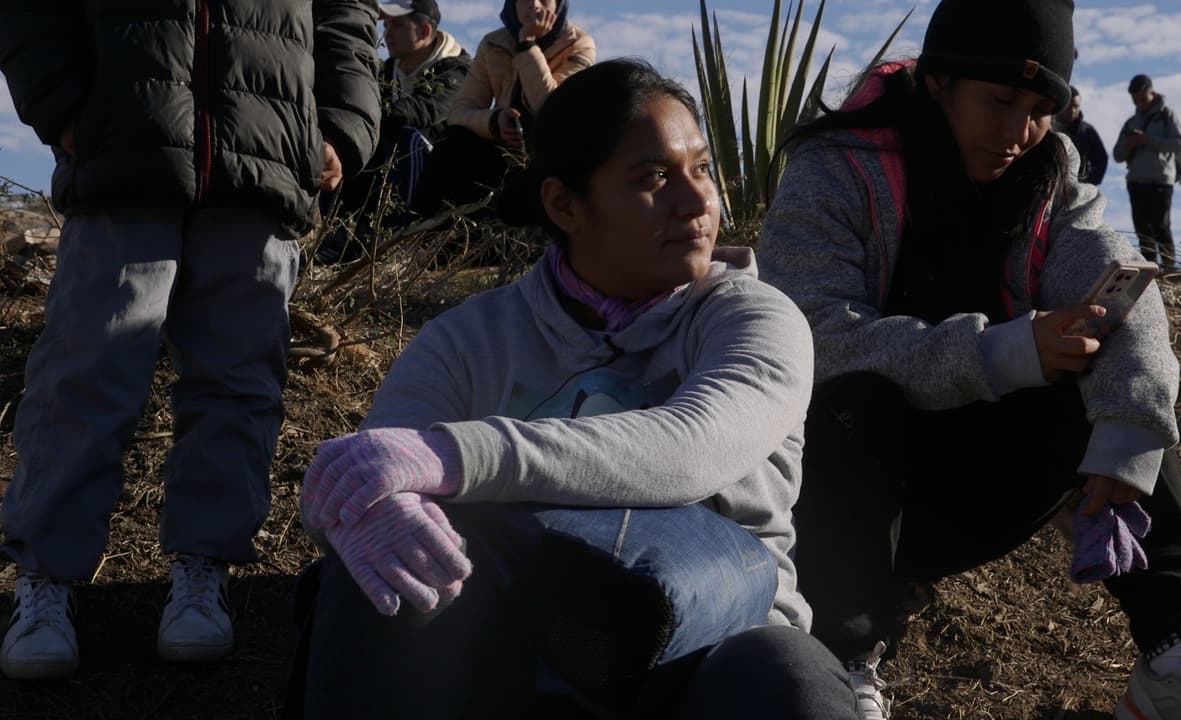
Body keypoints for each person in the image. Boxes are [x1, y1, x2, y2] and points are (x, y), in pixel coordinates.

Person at [287, 58, 865, 719]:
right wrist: (361, 508)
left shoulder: (757, 319)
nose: (698, 201)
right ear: (565, 204)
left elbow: (693, 445)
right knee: (391, 565)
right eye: (653, 178)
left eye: (701, 168)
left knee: (793, 680)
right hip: (520, 651)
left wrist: (453, 457)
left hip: (714, 655)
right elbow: (364, 472)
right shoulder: (470, 337)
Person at [759, 1, 1181, 719]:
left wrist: (1123, 439)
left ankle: (1172, 651)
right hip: (839, 505)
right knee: (852, 397)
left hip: (973, 483)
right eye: (998, 101)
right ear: (937, 83)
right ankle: (842, 663)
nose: (1017, 133)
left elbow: (1124, 293)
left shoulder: (1047, 175)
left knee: (1117, 380)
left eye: (1038, 109)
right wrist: (1001, 352)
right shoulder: (836, 170)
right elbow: (814, 339)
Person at [0, 0, 380, 680]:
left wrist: (342, 128)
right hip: (124, 149)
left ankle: (205, 569)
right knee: (84, 373)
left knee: (239, 383)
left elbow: (346, 13)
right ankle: (45, 579)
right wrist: (60, 106)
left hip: (264, 158)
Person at [316, 0, 472, 264]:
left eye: (398, 25)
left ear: (424, 31)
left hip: (439, 179)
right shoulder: (388, 71)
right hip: (390, 164)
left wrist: (368, 115)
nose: (387, 33)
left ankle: (390, 242)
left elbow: (423, 112)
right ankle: (337, 239)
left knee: (406, 139)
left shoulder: (458, 69)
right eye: (386, 25)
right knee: (349, 139)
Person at [409, 0, 595, 219]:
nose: (534, 5)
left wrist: (526, 44)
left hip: (546, 153)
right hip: (500, 145)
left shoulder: (579, 44)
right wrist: (494, 122)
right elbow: (459, 113)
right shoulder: (493, 43)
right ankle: (414, 231)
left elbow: (552, 109)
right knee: (453, 142)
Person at [1114, 74, 1181, 272]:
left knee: (1161, 226)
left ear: (1152, 93)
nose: (1140, 104)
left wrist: (1148, 140)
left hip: (1161, 180)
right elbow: (1117, 155)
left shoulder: (1167, 116)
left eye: (1143, 99)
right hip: (1136, 180)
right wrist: (1130, 144)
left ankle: (1170, 268)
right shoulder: (1131, 122)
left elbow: (1180, 145)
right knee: (1142, 229)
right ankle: (1150, 270)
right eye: (1135, 101)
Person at [1056, 85, 1107, 185]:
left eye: (1076, 106)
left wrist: (1088, 181)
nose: (1072, 111)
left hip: (1078, 184)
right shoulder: (1049, 127)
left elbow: (1101, 159)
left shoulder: (1087, 131)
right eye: (1069, 106)